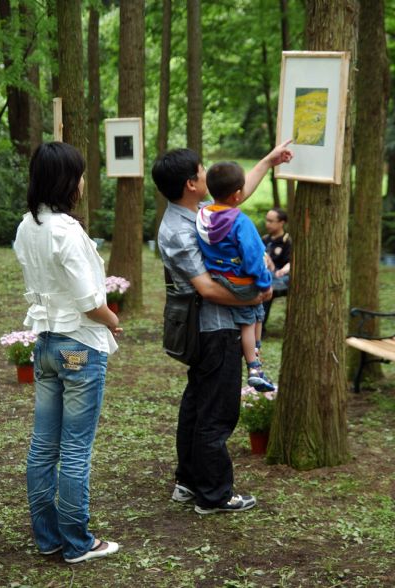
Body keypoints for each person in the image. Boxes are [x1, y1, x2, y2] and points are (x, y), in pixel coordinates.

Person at [152, 140, 293, 515]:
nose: (204, 172)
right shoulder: (177, 231)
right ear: (190, 184)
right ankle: (213, 495)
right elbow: (208, 288)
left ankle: (187, 481)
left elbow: (235, 196)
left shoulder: (198, 211)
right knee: (216, 412)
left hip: (213, 325)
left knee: (197, 405)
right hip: (212, 329)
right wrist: (257, 298)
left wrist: (268, 160)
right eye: (200, 171)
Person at [14, 142, 121, 564]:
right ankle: (78, 542)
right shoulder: (67, 231)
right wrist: (113, 320)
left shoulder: (27, 226)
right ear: (66, 181)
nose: (82, 183)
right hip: (79, 344)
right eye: (79, 175)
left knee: (43, 447)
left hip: (45, 345)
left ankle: (48, 537)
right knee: (75, 449)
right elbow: (90, 303)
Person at [196, 161, 274, 391]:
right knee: (249, 321)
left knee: (256, 314)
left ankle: (256, 356)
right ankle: (254, 366)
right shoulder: (241, 222)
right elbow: (253, 258)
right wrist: (264, 283)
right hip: (241, 282)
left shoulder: (203, 215)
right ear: (238, 194)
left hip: (218, 278)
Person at [262, 208, 291, 326]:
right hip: (265, 274)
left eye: (271, 221)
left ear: (281, 223)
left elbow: (291, 262)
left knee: (266, 288)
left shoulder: (287, 241)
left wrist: (283, 270)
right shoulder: (264, 239)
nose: (267, 224)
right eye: (267, 220)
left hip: (281, 277)